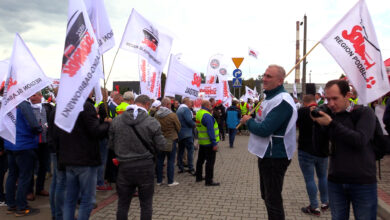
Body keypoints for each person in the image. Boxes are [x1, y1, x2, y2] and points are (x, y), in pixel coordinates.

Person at [312, 79, 377, 219]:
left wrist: (331, 124)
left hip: (363, 182)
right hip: (336, 181)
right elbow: (319, 148)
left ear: (348, 95)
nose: (331, 103)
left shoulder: (364, 113)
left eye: (335, 98)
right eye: (327, 99)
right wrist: (317, 124)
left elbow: (360, 140)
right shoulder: (332, 116)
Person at [241, 64, 297, 220]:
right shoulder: (269, 97)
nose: (264, 79)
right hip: (266, 154)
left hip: (275, 155)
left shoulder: (282, 101)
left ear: (280, 81)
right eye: (264, 75)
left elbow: (265, 129)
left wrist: (248, 121)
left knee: (273, 199)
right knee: (267, 195)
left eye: (269, 76)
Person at [53, 92, 111, 220]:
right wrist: (107, 124)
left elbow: (57, 133)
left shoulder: (65, 105)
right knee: (87, 200)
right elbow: (95, 131)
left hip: (68, 158)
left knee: (70, 199)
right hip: (85, 160)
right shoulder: (85, 105)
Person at [109, 95, 166, 220]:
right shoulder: (152, 122)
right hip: (145, 166)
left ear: (135, 102)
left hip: (124, 167)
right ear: (146, 105)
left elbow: (111, 145)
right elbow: (162, 145)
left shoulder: (117, 120)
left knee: (123, 204)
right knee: (146, 204)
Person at [5, 100, 42, 217]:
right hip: (24, 144)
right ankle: (22, 207)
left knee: (12, 175)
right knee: (24, 177)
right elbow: (33, 124)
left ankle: (11, 205)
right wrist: (39, 129)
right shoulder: (23, 103)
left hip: (10, 143)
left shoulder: (7, 102)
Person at [296, 94, 329, 216]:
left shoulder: (301, 111)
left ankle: (314, 206)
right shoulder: (324, 109)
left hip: (306, 150)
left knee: (309, 179)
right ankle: (325, 202)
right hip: (323, 150)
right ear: (315, 100)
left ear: (304, 102)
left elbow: (296, 125)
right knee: (323, 177)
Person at [27, 91, 52, 200]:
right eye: (31, 96)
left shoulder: (47, 107)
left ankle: (40, 188)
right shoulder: (27, 108)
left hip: (45, 142)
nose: (32, 98)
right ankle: (29, 191)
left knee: (44, 166)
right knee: (30, 167)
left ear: (40, 96)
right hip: (32, 142)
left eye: (34, 95)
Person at [155, 97, 181, 186]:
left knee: (160, 160)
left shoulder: (156, 114)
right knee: (170, 160)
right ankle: (170, 181)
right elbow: (178, 127)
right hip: (171, 139)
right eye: (170, 104)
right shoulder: (172, 115)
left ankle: (159, 181)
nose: (171, 105)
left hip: (159, 140)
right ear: (167, 104)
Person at [195, 100, 220, 186]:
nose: (211, 106)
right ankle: (209, 180)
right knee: (210, 162)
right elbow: (211, 131)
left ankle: (198, 177)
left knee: (200, 160)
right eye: (210, 105)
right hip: (209, 143)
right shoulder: (207, 116)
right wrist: (214, 143)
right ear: (207, 105)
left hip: (202, 141)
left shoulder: (199, 113)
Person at [176, 97, 196, 174]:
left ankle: (180, 167)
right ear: (187, 102)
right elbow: (189, 121)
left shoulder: (179, 110)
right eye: (190, 102)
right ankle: (191, 168)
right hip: (187, 133)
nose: (191, 104)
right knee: (190, 150)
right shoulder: (186, 109)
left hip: (180, 133)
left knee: (181, 151)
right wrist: (194, 125)